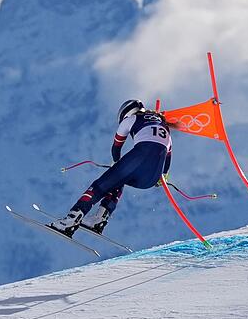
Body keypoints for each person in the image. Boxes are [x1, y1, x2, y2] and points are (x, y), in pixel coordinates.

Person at [50, 99, 172, 236]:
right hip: (150, 178)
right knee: (118, 181)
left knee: (99, 186)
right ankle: (100, 219)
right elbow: (168, 156)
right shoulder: (164, 126)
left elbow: (116, 147)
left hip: (139, 157)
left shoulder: (132, 119)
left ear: (127, 112)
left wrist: (116, 163)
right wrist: (163, 176)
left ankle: (70, 221)